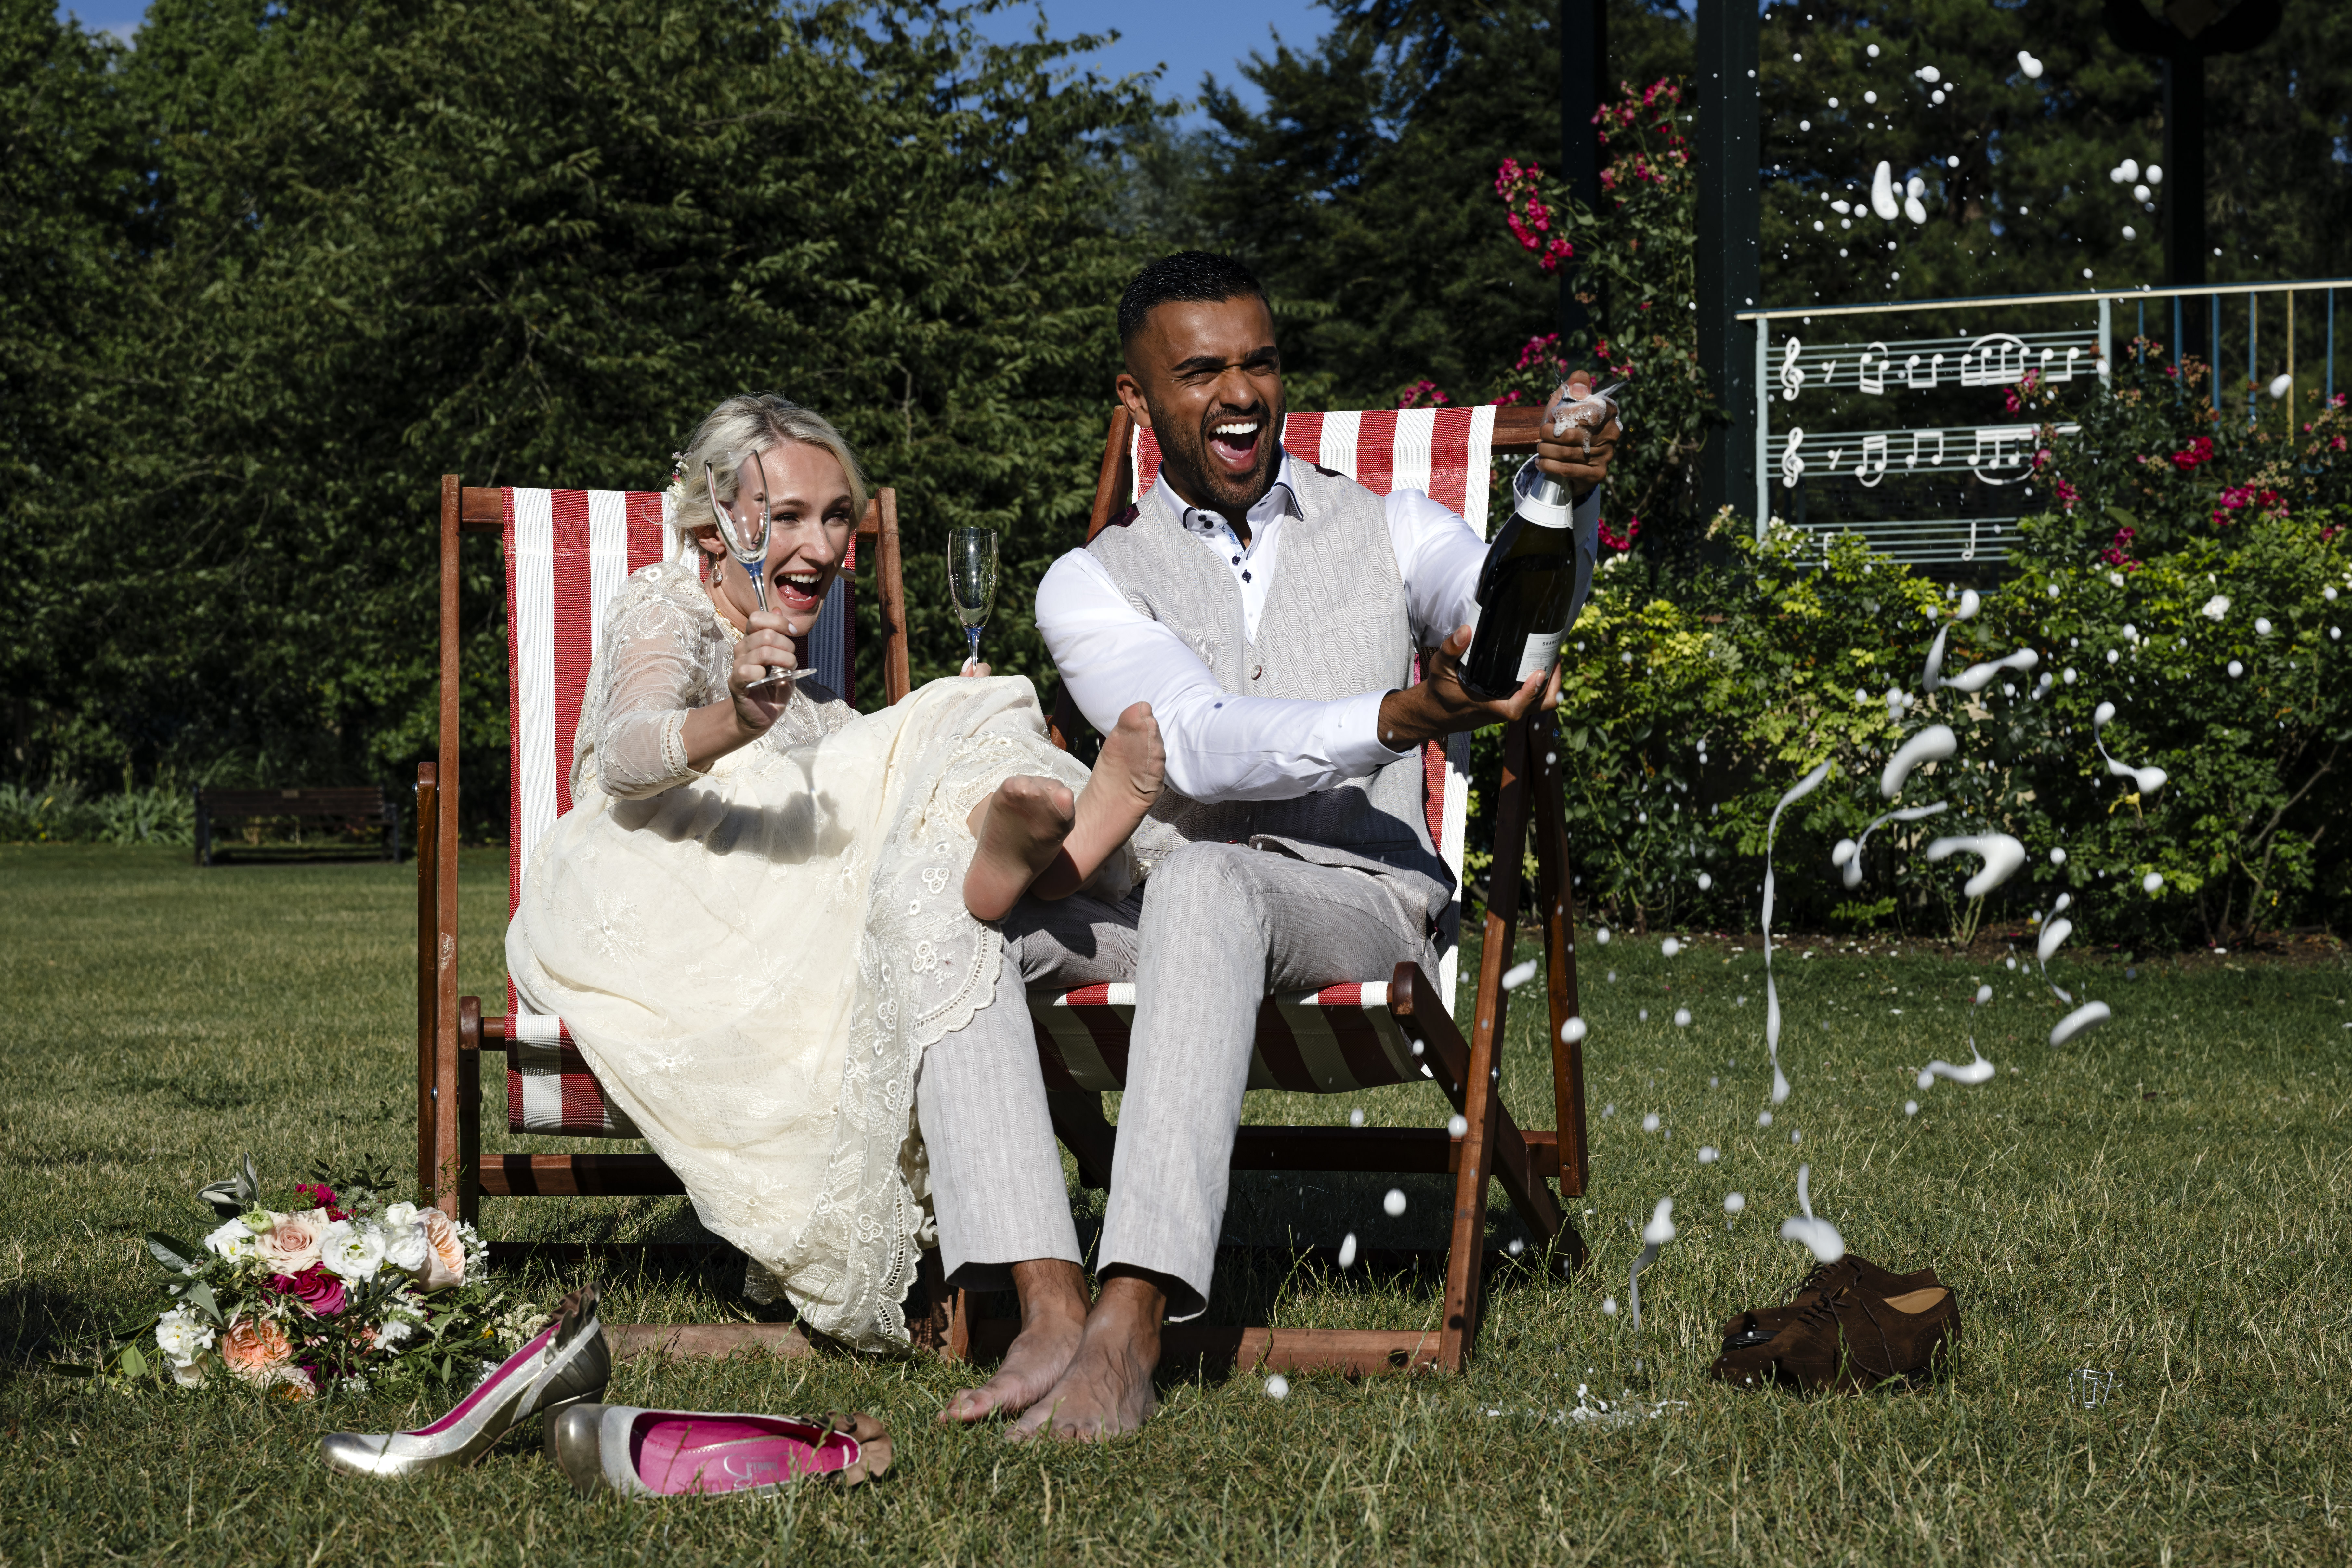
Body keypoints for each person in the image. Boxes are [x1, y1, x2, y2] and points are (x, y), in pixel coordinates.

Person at [912, 252, 1622, 1438]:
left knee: (1209, 882)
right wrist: (1393, 718)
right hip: (1161, 906)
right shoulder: (1086, 583)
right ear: (1136, 402)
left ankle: (1131, 1330)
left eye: (1259, 361)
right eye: (1199, 372)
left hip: (1358, 895)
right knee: (964, 921)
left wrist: (1571, 505)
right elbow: (1190, 747)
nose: (1240, 392)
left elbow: (1514, 621)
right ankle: (1042, 1296)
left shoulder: (1393, 524)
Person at [507, 393, 1164, 1353]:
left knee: (942, 754)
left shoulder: (793, 653)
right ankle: (1049, 856)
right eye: (785, 519)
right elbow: (628, 752)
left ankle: (1021, 854)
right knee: (940, 730)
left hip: (762, 864)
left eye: (836, 516)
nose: (821, 544)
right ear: (714, 522)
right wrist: (733, 717)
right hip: (656, 883)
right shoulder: (671, 603)